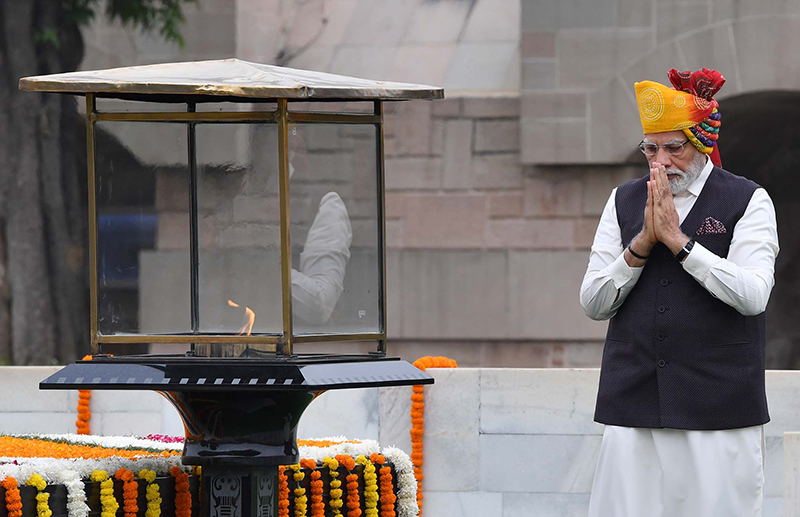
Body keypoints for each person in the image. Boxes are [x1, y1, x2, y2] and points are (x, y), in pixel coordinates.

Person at [580, 68, 779, 516]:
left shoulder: (748, 200)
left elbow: (753, 296)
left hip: (719, 406)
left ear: (702, 145)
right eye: (651, 149)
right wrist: (640, 246)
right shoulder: (622, 200)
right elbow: (592, 302)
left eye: (675, 148)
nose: (662, 162)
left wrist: (680, 243)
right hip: (632, 402)